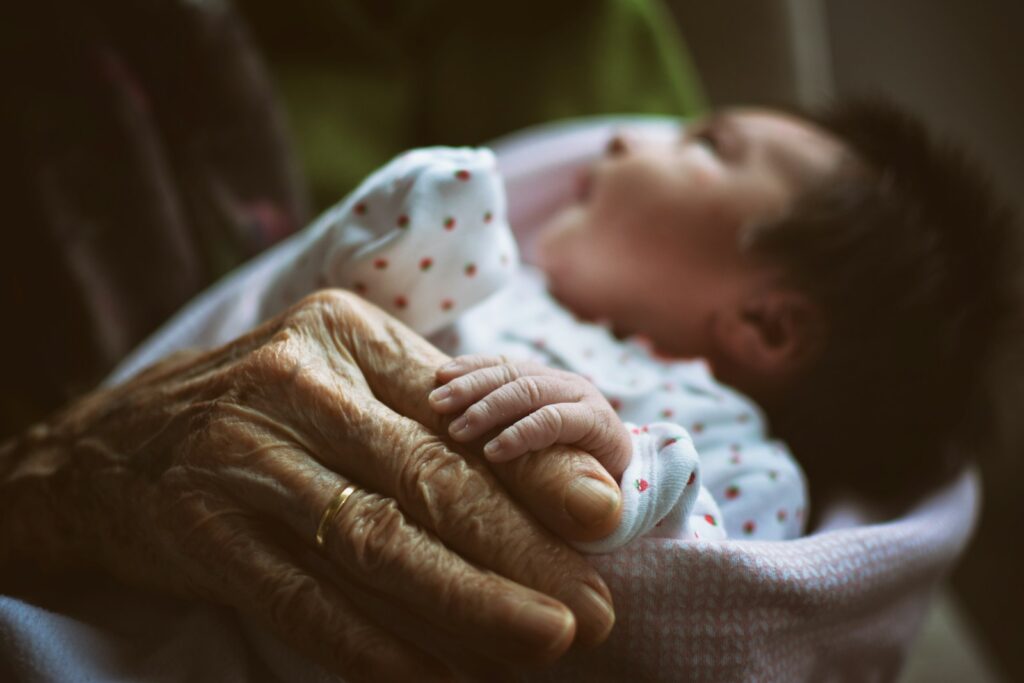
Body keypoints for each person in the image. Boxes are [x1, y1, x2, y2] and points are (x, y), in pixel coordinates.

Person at [115, 98, 1019, 558]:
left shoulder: (728, 443)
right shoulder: (511, 290)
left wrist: (625, 464)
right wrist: (400, 236)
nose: (624, 140)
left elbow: (719, 573)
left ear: (766, 324)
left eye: (706, 145)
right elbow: (308, 329)